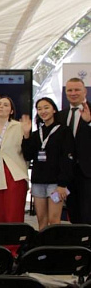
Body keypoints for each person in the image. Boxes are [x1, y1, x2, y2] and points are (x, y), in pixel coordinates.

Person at [21, 98, 73, 230]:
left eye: (46, 107)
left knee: (54, 220)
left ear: (54, 109)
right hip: (38, 183)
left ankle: (55, 244)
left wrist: (62, 184)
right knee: (41, 220)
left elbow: (67, 159)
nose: (43, 111)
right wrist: (26, 135)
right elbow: (27, 155)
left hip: (55, 185)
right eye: (39, 109)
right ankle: (42, 243)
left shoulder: (64, 131)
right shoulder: (36, 133)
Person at [0, 96, 27, 223]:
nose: (1, 107)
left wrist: (27, 134)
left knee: (13, 213)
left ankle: (15, 237)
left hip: (14, 175)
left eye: (5, 105)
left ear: (11, 111)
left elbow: (27, 151)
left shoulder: (19, 126)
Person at [59, 78, 91, 224]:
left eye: (77, 90)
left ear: (85, 91)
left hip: (87, 172)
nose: (73, 93)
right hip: (67, 173)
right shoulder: (60, 115)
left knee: (87, 213)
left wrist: (89, 122)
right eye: (69, 90)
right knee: (73, 212)